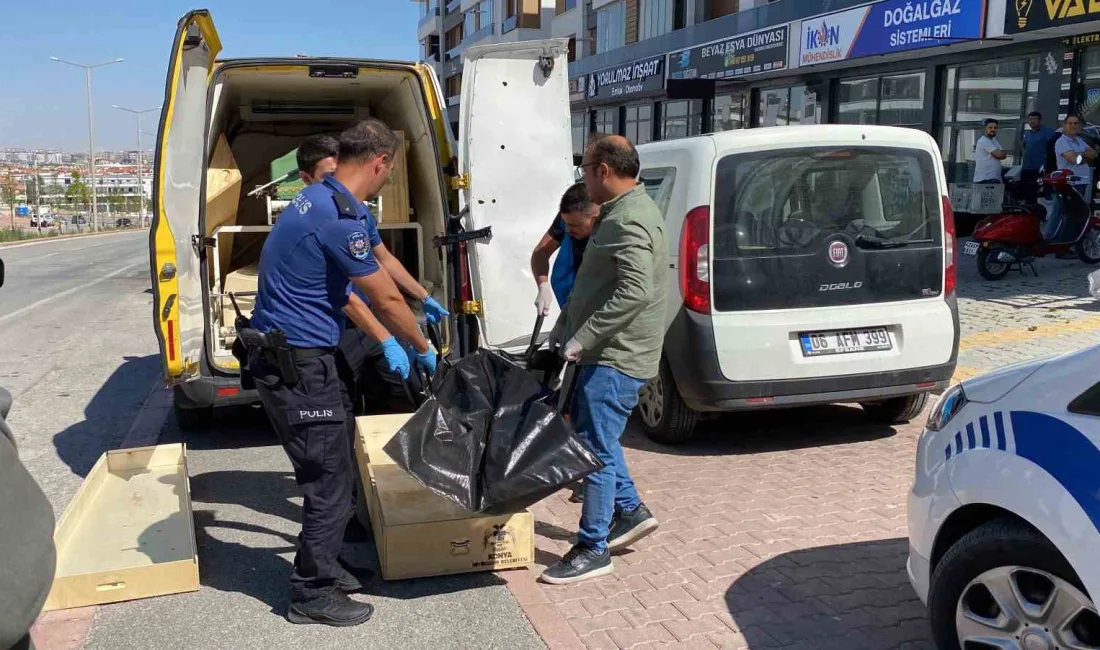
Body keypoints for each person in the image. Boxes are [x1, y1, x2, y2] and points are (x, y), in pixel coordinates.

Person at [248, 119, 437, 626]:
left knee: (335, 465)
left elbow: (381, 257)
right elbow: (383, 296)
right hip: (298, 364)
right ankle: (311, 592)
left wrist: (425, 297)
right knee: (328, 479)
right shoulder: (334, 217)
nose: (387, 179)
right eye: (389, 171)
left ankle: (326, 566)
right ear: (380, 163)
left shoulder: (332, 200)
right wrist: (419, 346)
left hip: (307, 355)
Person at [540, 135, 669, 585]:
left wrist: (584, 338)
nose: (584, 179)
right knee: (602, 439)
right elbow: (594, 288)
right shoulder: (623, 212)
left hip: (615, 356)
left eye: (585, 170)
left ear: (603, 171)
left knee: (593, 452)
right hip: (605, 351)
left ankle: (593, 546)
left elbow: (636, 290)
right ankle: (630, 510)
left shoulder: (627, 220)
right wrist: (563, 333)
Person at [294, 136, 447, 411]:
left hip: (373, 320)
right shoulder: (324, 217)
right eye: (329, 176)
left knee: (399, 398)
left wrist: (423, 297)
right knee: (342, 407)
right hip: (340, 327)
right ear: (307, 179)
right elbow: (345, 296)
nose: (338, 181)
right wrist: (401, 340)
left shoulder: (358, 211)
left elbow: (385, 259)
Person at [531, 183, 600, 316]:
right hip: (568, 306)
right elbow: (541, 251)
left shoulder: (611, 231)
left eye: (574, 225)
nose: (567, 229)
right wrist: (543, 285)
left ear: (595, 219)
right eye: (565, 223)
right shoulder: (570, 217)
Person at [1051, 114, 1098, 240]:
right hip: (1069, 184)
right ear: (1064, 125)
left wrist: (1079, 153)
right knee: (1067, 215)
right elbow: (1074, 160)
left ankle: (1069, 242)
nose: (1073, 126)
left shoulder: (1079, 140)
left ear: (1080, 126)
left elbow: (1093, 154)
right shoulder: (1061, 142)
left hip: (1081, 182)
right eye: (1070, 123)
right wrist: (1082, 154)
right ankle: (1060, 245)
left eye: (1076, 123)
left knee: (1076, 215)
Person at [1020, 112, 1056, 201]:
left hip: (1041, 169)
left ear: (1039, 120)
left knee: (1042, 196)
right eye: (1030, 119)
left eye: (1034, 119)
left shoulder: (1047, 131)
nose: (1032, 121)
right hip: (1027, 168)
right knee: (1027, 194)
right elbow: (1024, 146)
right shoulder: (1027, 134)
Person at [973, 118, 1007, 184]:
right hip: (985, 180)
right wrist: (998, 155)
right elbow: (1000, 155)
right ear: (985, 128)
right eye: (990, 127)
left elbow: (1003, 155)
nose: (993, 129)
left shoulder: (994, 140)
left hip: (994, 179)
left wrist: (997, 154)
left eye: (995, 127)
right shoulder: (983, 141)